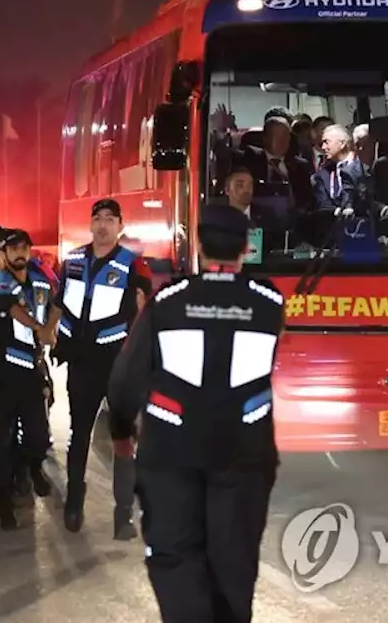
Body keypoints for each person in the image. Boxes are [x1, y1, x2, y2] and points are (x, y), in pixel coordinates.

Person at [108, 204, 285, 623]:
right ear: (246, 249)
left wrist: (121, 432)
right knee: (234, 561)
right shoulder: (269, 302)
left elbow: (125, 379)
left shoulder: (166, 301)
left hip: (172, 454)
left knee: (176, 556)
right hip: (244, 454)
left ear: (199, 247)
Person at [54, 198, 151, 539]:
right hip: (82, 363)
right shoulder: (73, 261)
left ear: (120, 226)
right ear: (90, 224)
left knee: (123, 438)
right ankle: (74, 502)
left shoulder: (132, 264)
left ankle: (123, 514)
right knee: (79, 433)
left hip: (117, 362)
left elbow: (142, 312)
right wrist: (57, 343)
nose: (103, 224)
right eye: (98, 218)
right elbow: (59, 306)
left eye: (110, 219)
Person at [0, 229, 55, 529]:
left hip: (30, 373)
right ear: (4, 253)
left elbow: (55, 305)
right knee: (1, 441)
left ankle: (32, 467)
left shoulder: (40, 280)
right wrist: (40, 328)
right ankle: (4, 503)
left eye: (24, 247)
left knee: (37, 435)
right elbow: (13, 309)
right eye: (13, 249)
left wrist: (54, 330)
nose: (19, 253)